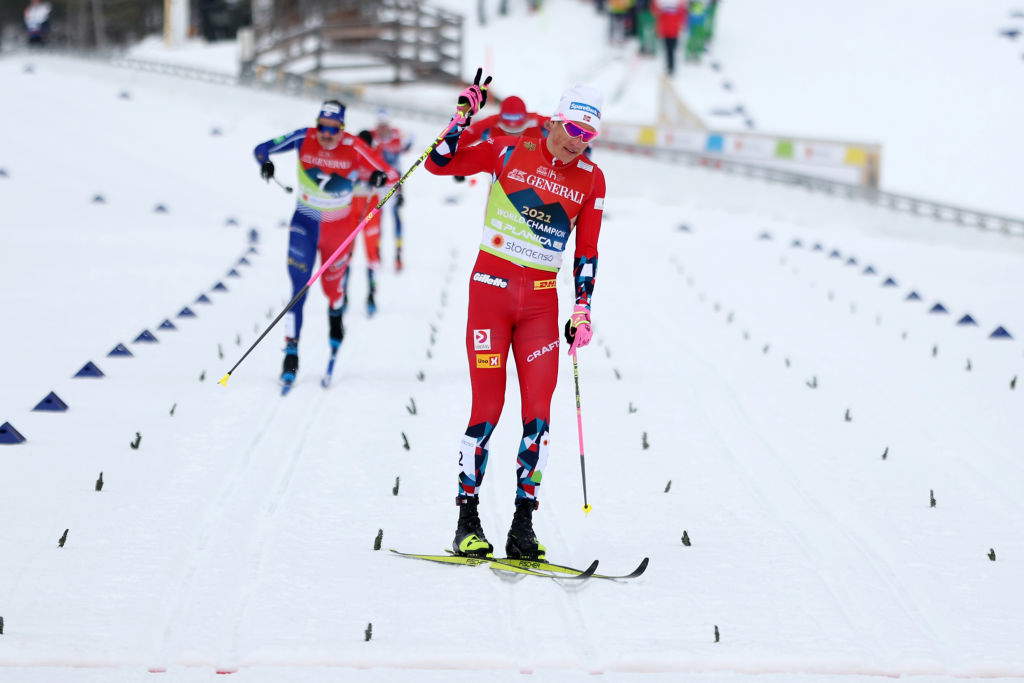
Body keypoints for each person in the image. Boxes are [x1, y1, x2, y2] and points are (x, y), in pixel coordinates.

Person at [426, 75, 607, 561]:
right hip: (490, 293)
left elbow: (586, 251)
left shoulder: (591, 179)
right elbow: (438, 164)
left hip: (541, 306)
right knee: (487, 409)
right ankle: (467, 521)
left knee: (538, 419)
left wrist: (583, 307)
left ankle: (522, 527)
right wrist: (460, 120)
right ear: (554, 119)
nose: (576, 142)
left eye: (588, 135)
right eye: (572, 128)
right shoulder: (508, 149)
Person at [253, 100, 397, 391]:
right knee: (298, 290)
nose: (326, 134)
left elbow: (391, 176)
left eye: (333, 129)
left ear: (342, 128)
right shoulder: (303, 137)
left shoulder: (354, 145)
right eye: (322, 127)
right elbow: (261, 148)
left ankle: (336, 312)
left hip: (339, 231)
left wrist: (380, 179)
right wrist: (266, 163)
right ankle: (291, 354)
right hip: (304, 224)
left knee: (332, 290)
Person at [341, 129, 385, 317]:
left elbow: (390, 175)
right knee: (346, 250)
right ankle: (343, 296)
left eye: (366, 147)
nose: (363, 150)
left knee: (371, 252)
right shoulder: (350, 155)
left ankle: (371, 295)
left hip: (371, 206)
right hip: (351, 207)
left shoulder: (377, 155)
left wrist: (380, 179)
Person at [372, 109, 413, 271]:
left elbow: (409, 142)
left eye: (385, 125)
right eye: (380, 125)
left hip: (395, 183)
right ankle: (377, 253)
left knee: (396, 217)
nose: (382, 129)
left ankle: (398, 255)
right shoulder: (374, 137)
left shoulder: (396, 136)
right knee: (378, 219)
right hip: (380, 185)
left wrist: (401, 190)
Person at [459, 95, 549, 147]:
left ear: (526, 120)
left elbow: (562, 128)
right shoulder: (489, 124)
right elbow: (457, 143)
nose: (513, 134)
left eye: (518, 129)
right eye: (508, 129)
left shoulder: (541, 123)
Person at [653, 0, 687, 76]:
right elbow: (656, 12)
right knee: (669, 50)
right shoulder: (663, 5)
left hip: (673, 31)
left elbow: (682, 15)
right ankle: (670, 67)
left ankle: (670, 67)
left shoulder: (676, 5)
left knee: (671, 50)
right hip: (667, 31)